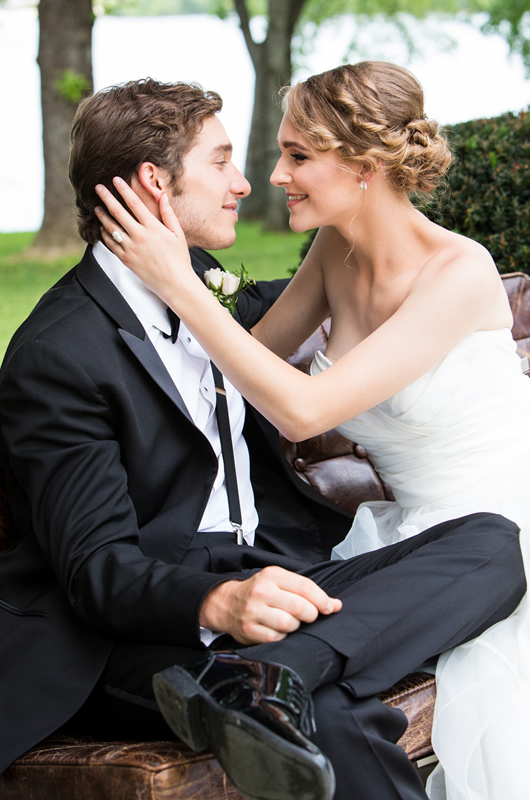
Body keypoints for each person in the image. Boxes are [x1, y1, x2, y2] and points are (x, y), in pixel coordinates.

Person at [0, 72, 524, 800]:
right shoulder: (60, 354)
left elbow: (273, 374)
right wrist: (217, 604)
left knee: (497, 545)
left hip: (281, 564)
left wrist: (183, 281)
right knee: (330, 716)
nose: (254, 182)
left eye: (294, 156)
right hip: (151, 611)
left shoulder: (206, 281)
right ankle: (271, 678)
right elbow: (99, 570)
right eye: (222, 161)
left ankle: (271, 673)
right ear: (154, 183)